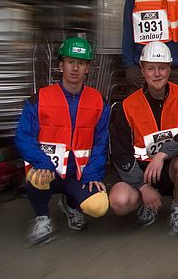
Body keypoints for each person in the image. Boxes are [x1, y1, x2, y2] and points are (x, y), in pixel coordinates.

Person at [16, 37, 110, 246]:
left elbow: (101, 142)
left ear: (88, 68)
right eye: (70, 61)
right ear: (61, 65)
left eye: (81, 63)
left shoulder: (98, 101)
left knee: (99, 205)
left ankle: (71, 204)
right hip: (46, 169)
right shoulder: (41, 97)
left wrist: (93, 172)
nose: (75, 68)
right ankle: (42, 218)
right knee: (38, 178)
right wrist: (42, 163)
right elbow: (23, 136)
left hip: (77, 174)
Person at [109, 42, 178, 234]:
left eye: (162, 68)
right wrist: (142, 186)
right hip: (139, 170)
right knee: (119, 202)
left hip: (168, 168)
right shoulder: (127, 106)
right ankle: (146, 202)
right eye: (151, 68)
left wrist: (161, 156)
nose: (157, 74)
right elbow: (121, 154)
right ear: (142, 70)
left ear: (169, 69)